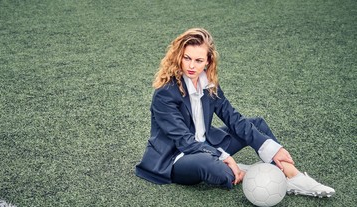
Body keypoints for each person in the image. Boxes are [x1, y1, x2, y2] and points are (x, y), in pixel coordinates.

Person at [135, 28, 335, 197]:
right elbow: (184, 141)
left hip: (206, 144)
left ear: (208, 61)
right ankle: (259, 173)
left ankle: (295, 178)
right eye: (187, 58)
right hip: (177, 157)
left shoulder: (209, 84)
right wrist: (224, 156)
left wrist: (273, 148)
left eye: (198, 60)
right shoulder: (165, 94)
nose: (191, 66)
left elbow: (232, 117)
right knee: (218, 170)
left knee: (255, 124)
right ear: (179, 57)